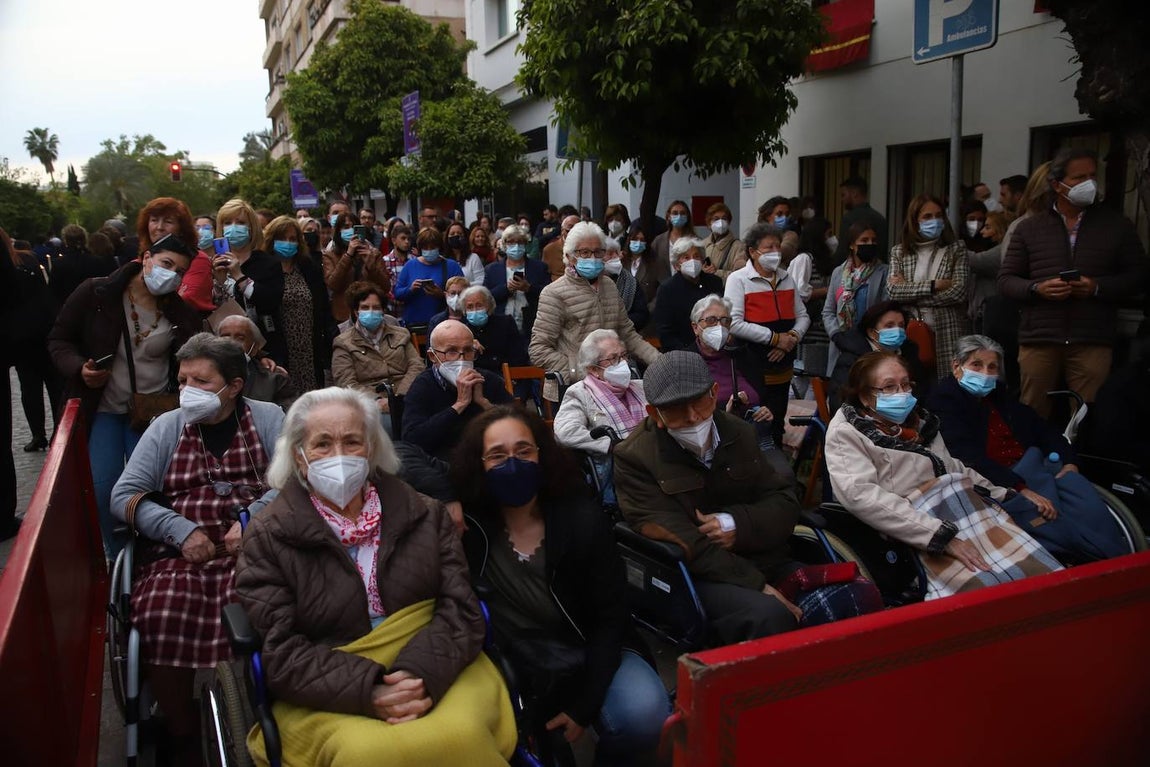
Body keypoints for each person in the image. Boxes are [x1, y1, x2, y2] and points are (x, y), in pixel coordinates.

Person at [234, 387, 515, 766]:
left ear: (371, 450)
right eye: (322, 444)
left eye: (352, 441)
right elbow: (280, 649)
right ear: (300, 458)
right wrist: (369, 690)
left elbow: (459, 607)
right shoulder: (268, 536)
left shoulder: (425, 514)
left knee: (462, 735)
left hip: (437, 662)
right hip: (324, 683)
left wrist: (419, 674)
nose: (339, 455)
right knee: (367, 754)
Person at [454, 406, 669, 764]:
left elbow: (610, 617)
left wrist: (585, 705)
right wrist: (444, 494)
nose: (513, 463)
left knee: (645, 715)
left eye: (524, 450)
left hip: (589, 643)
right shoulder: (469, 525)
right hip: (514, 654)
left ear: (542, 453)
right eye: (497, 455)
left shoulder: (581, 519)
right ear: (478, 463)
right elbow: (403, 462)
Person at [110, 333, 284, 767]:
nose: (188, 389)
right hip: (182, 551)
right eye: (183, 378)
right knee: (159, 613)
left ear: (234, 385)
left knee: (267, 606)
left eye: (202, 381)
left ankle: (264, 709)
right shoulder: (166, 427)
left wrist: (251, 521)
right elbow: (126, 494)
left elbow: (294, 480)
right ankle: (180, 727)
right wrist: (179, 530)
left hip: (256, 545)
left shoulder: (268, 417)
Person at [823, 352, 1062, 600]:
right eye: (889, 387)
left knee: (1036, 568)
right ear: (864, 395)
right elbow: (861, 495)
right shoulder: (846, 432)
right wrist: (940, 536)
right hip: (913, 526)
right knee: (988, 585)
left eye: (906, 385)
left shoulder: (920, 422)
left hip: (960, 509)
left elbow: (952, 467)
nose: (902, 393)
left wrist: (1005, 493)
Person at [613, 351, 804, 645]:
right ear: (655, 414)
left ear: (714, 393)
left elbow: (782, 500)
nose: (692, 417)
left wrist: (736, 524)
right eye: (676, 409)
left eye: (699, 402)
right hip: (698, 574)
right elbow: (682, 539)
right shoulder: (635, 457)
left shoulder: (739, 431)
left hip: (760, 552)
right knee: (769, 615)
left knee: (847, 595)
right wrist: (757, 585)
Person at [49, 234, 200, 556]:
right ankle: (120, 560)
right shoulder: (97, 292)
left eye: (180, 271)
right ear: (146, 259)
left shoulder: (179, 311)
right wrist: (80, 368)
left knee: (155, 489)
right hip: (103, 408)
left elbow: (199, 351)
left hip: (153, 411)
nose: (172, 275)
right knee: (104, 489)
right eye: (166, 264)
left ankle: (156, 555)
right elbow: (59, 339)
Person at [927, 335, 1128, 563]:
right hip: (999, 479)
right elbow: (966, 455)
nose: (985, 373)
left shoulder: (1000, 397)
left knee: (1085, 499)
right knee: (1048, 518)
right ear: (957, 366)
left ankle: (1117, 557)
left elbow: (1043, 429)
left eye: (992, 367)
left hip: (1036, 467)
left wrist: (1069, 461)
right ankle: (1084, 557)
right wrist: (1019, 488)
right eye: (976, 365)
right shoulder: (945, 402)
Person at [998, 147, 1148, 418]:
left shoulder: (1116, 225)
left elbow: (1138, 276)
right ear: (1057, 184)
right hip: (1040, 337)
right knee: (1032, 412)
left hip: (1092, 337)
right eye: (1079, 177)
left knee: (1087, 413)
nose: (1089, 183)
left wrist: (1097, 287)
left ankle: (1079, 459)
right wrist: (1036, 289)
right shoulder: (1030, 228)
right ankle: (1034, 458)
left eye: (1092, 175)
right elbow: (1007, 280)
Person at [529, 222, 661, 385]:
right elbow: (538, 350)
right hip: (572, 388)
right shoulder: (554, 293)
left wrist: (660, 361)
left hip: (613, 382)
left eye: (598, 252)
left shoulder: (609, 286)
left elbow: (627, 334)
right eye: (584, 252)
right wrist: (577, 371)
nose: (592, 257)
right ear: (570, 256)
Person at [724, 222, 809, 444]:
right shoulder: (739, 279)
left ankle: (778, 469)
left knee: (777, 423)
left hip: (783, 367)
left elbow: (803, 316)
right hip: (753, 367)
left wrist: (790, 338)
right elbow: (734, 323)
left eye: (778, 247)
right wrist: (774, 339)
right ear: (753, 252)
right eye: (769, 247)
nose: (775, 253)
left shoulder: (786, 278)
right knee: (754, 424)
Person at [552, 330, 647, 504]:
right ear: (593, 369)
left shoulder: (640, 387)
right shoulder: (580, 393)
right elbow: (565, 432)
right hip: (618, 474)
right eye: (613, 359)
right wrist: (610, 444)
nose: (623, 364)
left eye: (624, 356)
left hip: (653, 464)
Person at [887, 193, 970, 380]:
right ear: (915, 221)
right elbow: (893, 291)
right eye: (927, 216)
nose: (935, 221)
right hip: (912, 333)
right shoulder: (899, 252)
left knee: (947, 387)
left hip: (948, 332)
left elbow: (959, 292)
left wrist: (910, 290)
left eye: (939, 215)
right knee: (912, 384)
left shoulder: (956, 249)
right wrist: (934, 286)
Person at [402, 320, 513, 460]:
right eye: (452, 352)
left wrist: (484, 404)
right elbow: (412, 440)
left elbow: (520, 425)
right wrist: (459, 405)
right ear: (432, 357)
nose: (462, 359)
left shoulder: (488, 380)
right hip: (443, 463)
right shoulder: (423, 385)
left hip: (489, 458)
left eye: (468, 350)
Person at [331, 281, 425, 429]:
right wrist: (377, 401)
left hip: (406, 396)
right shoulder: (343, 342)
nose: (371, 312)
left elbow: (417, 365)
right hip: (371, 404)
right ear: (356, 311)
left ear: (382, 310)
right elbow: (347, 382)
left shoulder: (401, 334)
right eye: (365, 308)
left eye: (376, 308)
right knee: (385, 425)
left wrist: (399, 399)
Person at [261, 215, 333, 393]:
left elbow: (323, 306)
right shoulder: (265, 271)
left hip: (309, 345)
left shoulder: (308, 268)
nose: (287, 243)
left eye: (292, 239)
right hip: (280, 345)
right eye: (282, 238)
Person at [828, 300, 928, 413]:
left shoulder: (909, 353)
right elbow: (840, 402)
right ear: (872, 332)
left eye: (901, 326)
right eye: (889, 326)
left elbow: (923, 390)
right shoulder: (851, 359)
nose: (897, 331)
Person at [823, 223, 890, 380]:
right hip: (842, 344)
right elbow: (828, 311)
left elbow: (885, 309)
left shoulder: (884, 272)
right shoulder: (839, 273)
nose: (870, 244)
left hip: (870, 344)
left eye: (873, 240)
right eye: (864, 240)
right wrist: (836, 335)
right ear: (852, 245)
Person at [136, 197, 215, 314]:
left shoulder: (197, 259)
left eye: (168, 222)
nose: (159, 227)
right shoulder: (140, 259)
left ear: (182, 229)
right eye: (154, 220)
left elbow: (187, 299)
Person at [654, 237, 723, 351]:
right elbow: (665, 332)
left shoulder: (715, 282)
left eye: (696, 256)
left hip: (715, 347)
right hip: (683, 350)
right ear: (677, 265)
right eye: (686, 257)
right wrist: (686, 353)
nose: (692, 260)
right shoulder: (667, 289)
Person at [216, 315, 298, 410]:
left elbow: (290, 417)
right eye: (225, 337)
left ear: (254, 348)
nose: (231, 343)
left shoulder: (275, 380)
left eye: (240, 338)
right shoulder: (203, 376)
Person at [323, 210, 390, 325]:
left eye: (354, 227)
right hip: (342, 316)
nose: (350, 230)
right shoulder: (330, 255)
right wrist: (348, 256)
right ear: (338, 231)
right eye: (346, 227)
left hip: (370, 315)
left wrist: (370, 265)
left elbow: (385, 287)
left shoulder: (373, 253)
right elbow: (333, 284)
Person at [791, 216, 834, 391]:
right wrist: (827, 291)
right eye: (829, 234)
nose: (832, 239)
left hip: (820, 329)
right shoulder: (804, 259)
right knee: (804, 376)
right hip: (808, 329)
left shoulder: (823, 262)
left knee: (816, 377)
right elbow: (799, 291)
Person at [484, 224, 547, 336]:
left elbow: (548, 294)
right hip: (500, 326)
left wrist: (529, 288)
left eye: (520, 242)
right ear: (504, 244)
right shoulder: (492, 269)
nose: (516, 246)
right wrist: (506, 289)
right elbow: (486, 297)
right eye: (511, 242)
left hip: (531, 326)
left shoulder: (539, 267)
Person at [395, 227, 465, 329]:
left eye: (432, 248)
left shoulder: (451, 266)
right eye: (425, 248)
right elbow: (397, 293)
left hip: (445, 324)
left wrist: (441, 294)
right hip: (414, 324)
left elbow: (464, 295)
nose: (429, 251)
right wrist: (410, 289)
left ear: (439, 247)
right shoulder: (410, 265)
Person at [459, 285, 529, 374]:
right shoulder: (461, 329)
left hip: (504, 377)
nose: (475, 310)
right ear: (464, 310)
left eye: (479, 305)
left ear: (489, 305)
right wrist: (468, 346)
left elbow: (518, 356)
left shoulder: (506, 323)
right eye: (470, 307)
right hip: (473, 378)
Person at [50, 224, 116, 306]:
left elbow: (54, 291)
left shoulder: (59, 264)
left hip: (68, 307)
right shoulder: (97, 261)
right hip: (93, 306)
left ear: (66, 241)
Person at [834, 176, 888, 263]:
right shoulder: (880, 218)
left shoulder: (848, 219)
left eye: (843, 195)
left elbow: (842, 252)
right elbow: (883, 251)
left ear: (854, 193)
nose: (842, 199)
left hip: (854, 268)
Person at [602, 236, 649, 332]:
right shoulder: (592, 281)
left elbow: (641, 314)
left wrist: (620, 323)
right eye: (610, 254)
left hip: (625, 333)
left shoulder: (631, 282)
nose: (615, 257)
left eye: (617, 253)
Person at [649, 200, 692, 288]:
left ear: (687, 217)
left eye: (682, 213)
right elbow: (650, 265)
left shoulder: (694, 240)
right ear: (668, 216)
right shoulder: (659, 241)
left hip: (689, 286)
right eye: (675, 213)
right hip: (664, 288)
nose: (679, 216)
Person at [701, 202, 747, 282]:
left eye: (724, 218)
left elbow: (741, 276)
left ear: (729, 222)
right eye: (716, 219)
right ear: (709, 223)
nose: (721, 222)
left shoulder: (739, 247)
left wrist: (716, 273)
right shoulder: (703, 244)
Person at [382, 223, 413, 316]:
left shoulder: (414, 261)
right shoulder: (384, 261)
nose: (407, 242)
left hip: (410, 310)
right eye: (403, 238)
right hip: (391, 311)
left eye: (409, 239)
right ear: (394, 240)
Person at [541, 213, 579, 283]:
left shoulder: (588, 249)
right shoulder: (549, 249)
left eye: (578, 231)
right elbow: (543, 277)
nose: (573, 234)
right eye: (569, 231)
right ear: (562, 230)